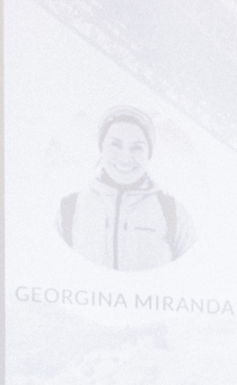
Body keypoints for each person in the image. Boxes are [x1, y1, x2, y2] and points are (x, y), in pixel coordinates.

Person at [57, 105, 195, 270]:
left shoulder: (172, 212)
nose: (125, 157)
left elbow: (193, 275)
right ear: (102, 148)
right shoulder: (69, 209)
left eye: (137, 147)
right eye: (115, 145)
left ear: (148, 153)